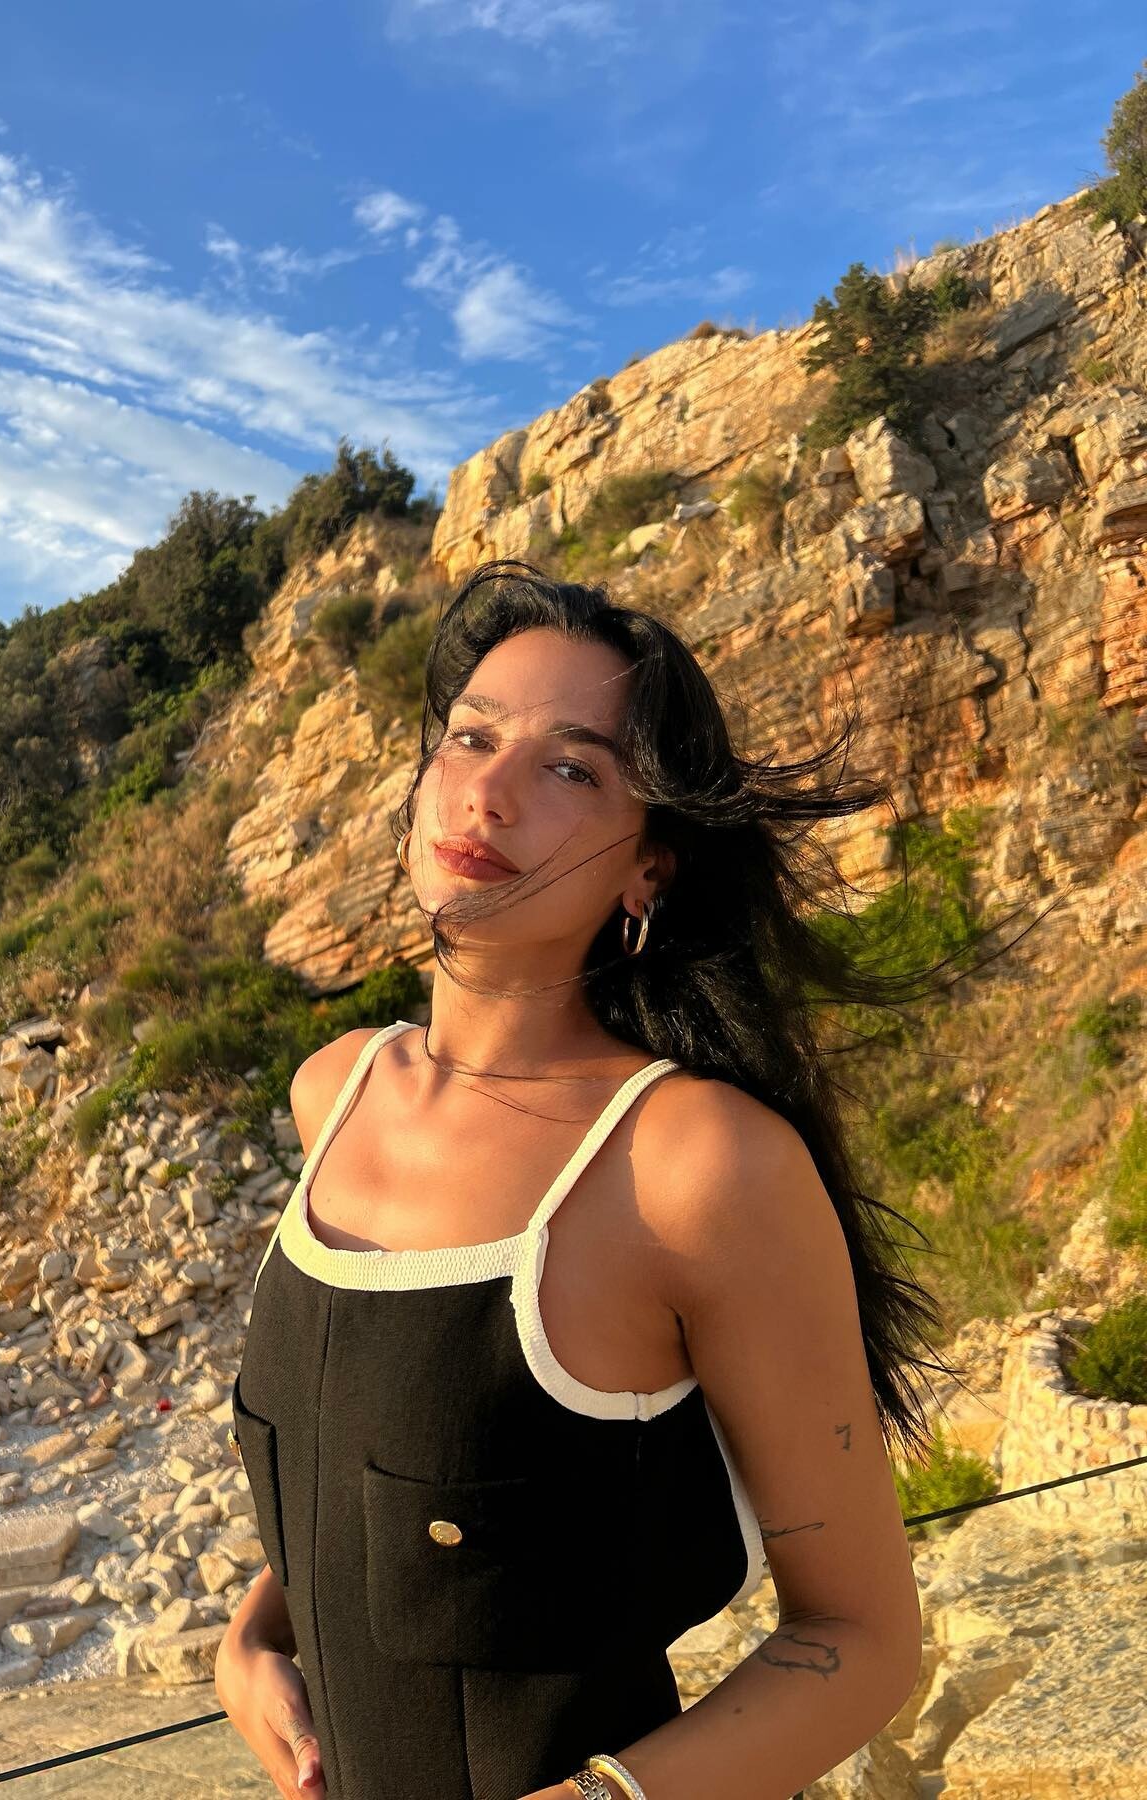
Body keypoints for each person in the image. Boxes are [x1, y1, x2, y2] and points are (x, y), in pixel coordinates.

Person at [214, 558, 1029, 1800]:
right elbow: (387, 1471)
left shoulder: (692, 1167)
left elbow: (861, 1641)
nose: (487, 790)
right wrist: (253, 1639)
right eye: (470, 737)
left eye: (570, 769)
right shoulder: (335, 1092)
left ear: (649, 870)